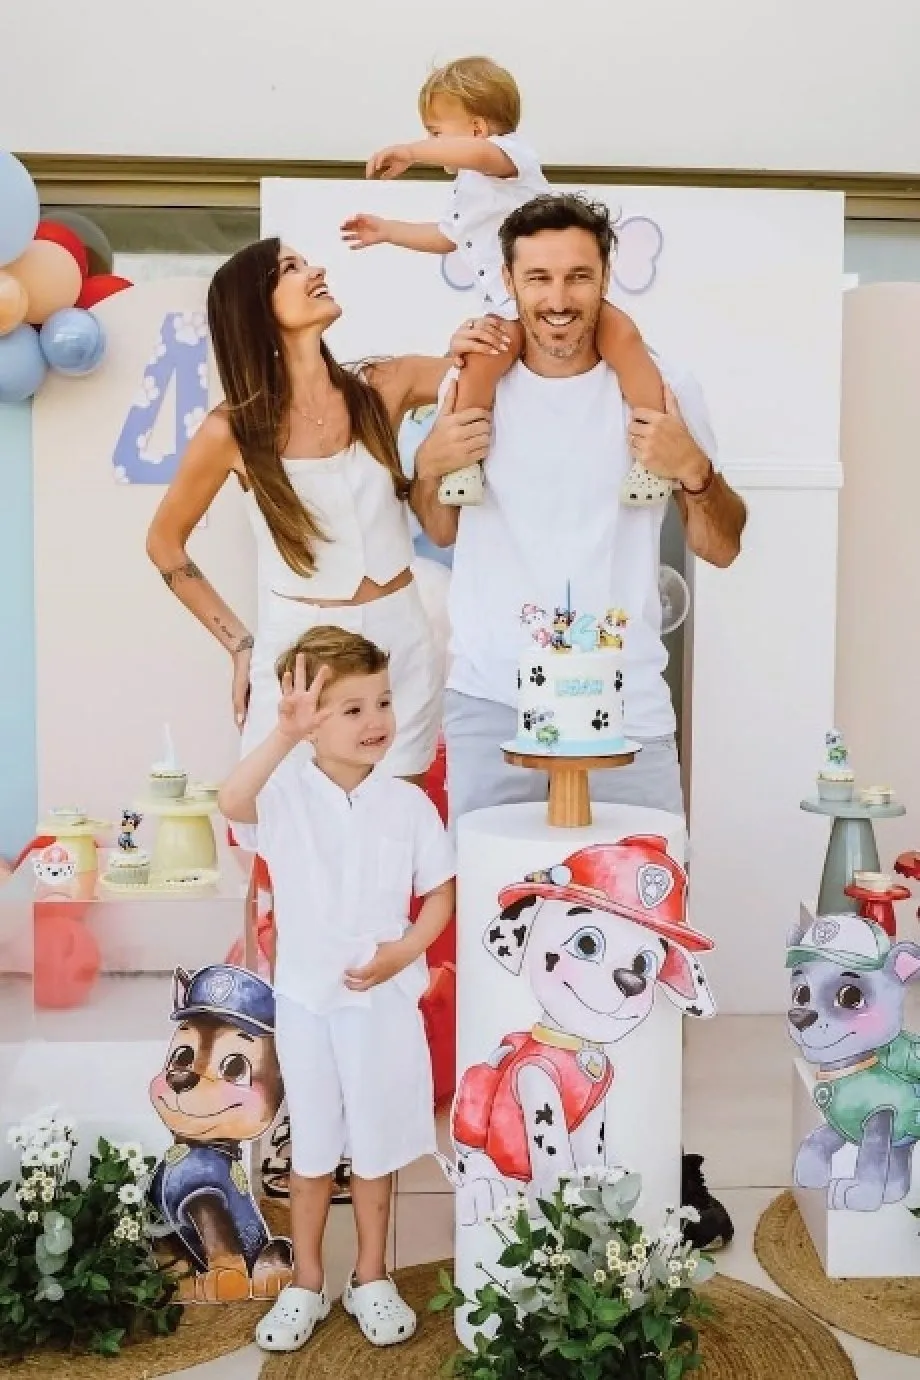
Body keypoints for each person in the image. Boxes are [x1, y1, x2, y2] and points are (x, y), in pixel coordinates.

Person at [408, 192, 747, 1249]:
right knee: (499, 936)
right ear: (509, 282)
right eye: (539, 278)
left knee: (641, 941)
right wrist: (429, 461)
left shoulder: (661, 389)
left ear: (607, 278)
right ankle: (506, 1171)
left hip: (626, 710)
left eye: (577, 277)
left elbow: (723, 541)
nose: (558, 299)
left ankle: (651, 1157)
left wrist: (693, 467)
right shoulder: (473, 383)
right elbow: (436, 526)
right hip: (492, 702)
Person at [146, 236, 493, 781]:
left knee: (394, 818)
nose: (315, 270)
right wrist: (239, 645)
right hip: (300, 656)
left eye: (306, 262)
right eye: (291, 267)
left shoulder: (384, 385)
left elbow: (483, 375)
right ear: (255, 307)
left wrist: (469, 351)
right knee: (286, 819)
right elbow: (164, 544)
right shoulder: (231, 431)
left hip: (400, 642)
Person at [218, 627, 455, 1351]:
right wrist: (282, 735)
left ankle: (372, 1274)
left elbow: (440, 895)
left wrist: (404, 952)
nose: (376, 719)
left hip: (382, 1005)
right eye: (352, 709)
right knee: (314, 1145)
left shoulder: (408, 804)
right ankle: (306, 1281)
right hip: (307, 1004)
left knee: (376, 1144)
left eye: (381, 701)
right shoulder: (284, 795)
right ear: (311, 721)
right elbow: (231, 799)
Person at [342, 55, 665, 504]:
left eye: (436, 132)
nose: (432, 144)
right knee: (478, 365)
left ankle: (653, 453)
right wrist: (388, 231)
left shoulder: (511, 157)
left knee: (624, 339)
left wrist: (413, 152)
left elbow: (480, 155)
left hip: (551, 292)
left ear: (477, 129)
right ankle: (465, 460)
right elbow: (447, 237)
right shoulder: (465, 190)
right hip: (507, 307)